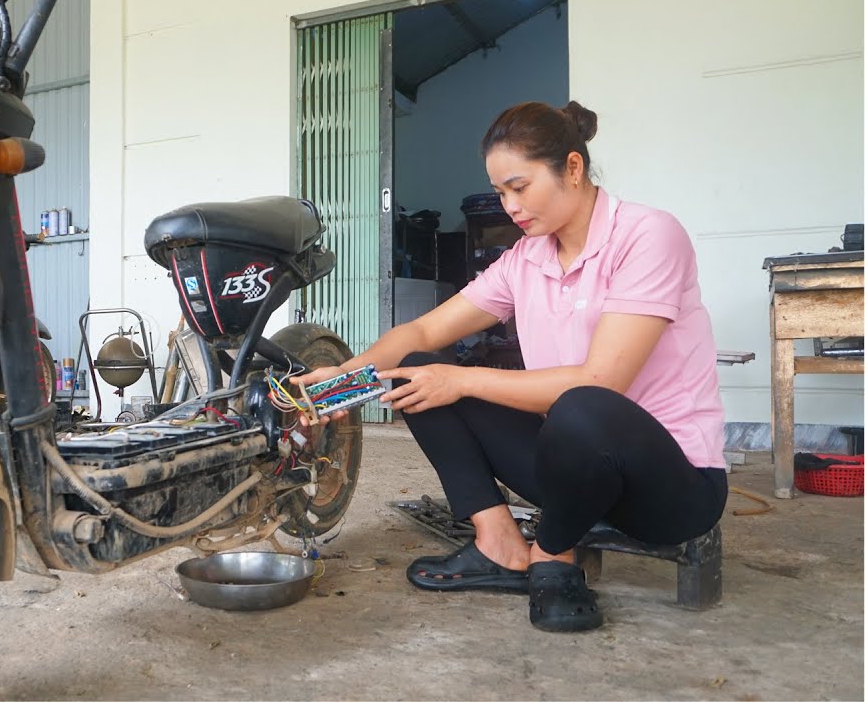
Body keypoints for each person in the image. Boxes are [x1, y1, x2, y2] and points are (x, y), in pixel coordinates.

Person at [294, 101, 727, 633]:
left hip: (669, 488)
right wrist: (342, 382)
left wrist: (462, 379)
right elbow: (424, 333)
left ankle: (551, 554)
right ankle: (500, 543)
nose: (509, 206)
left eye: (520, 187)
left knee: (581, 405)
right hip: (571, 476)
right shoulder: (528, 258)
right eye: (501, 192)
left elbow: (600, 382)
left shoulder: (648, 236)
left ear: (572, 168)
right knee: (415, 367)